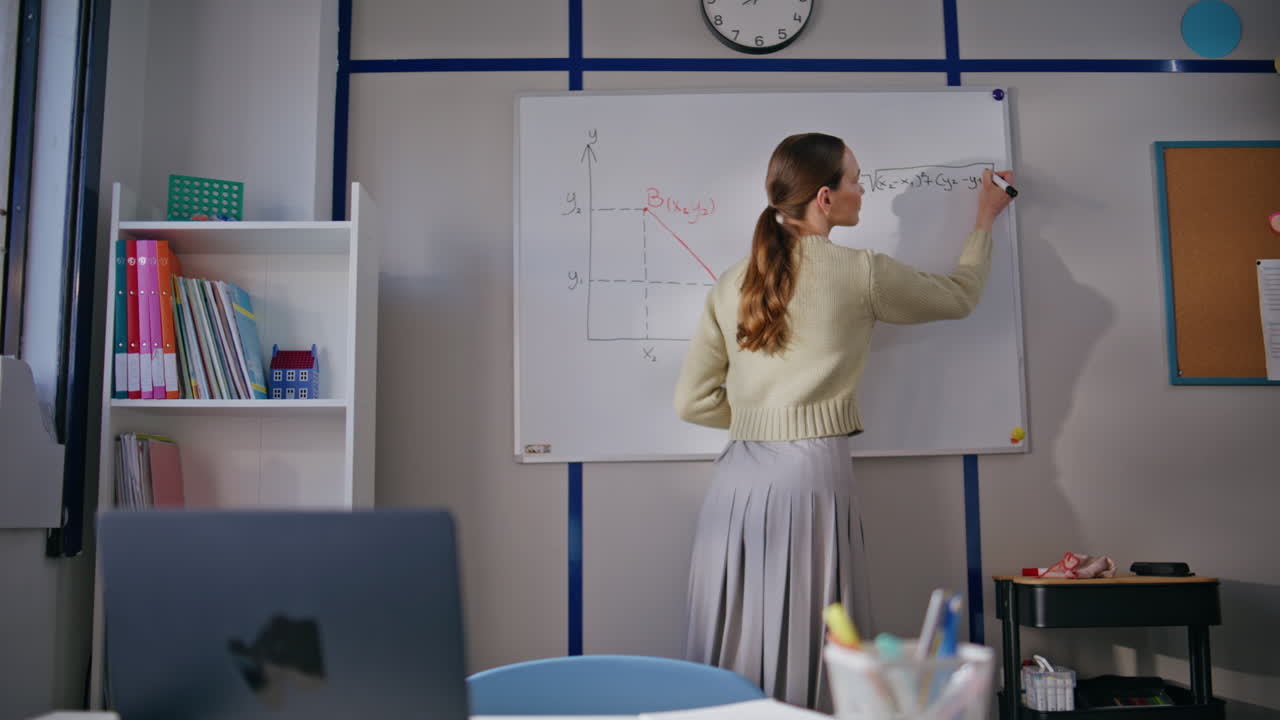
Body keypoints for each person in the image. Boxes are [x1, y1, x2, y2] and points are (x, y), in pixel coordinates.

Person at [673, 132, 1014, 710]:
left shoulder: (731, 281)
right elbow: (959, 296)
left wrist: (761, 419)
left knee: (735, 633)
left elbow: (693, 402)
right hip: (810, 475)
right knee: (814, 629)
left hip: (735, 483)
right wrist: (984, 220)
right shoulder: (862, 272)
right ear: (825, 198)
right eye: (856, 180)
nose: (864, 191)